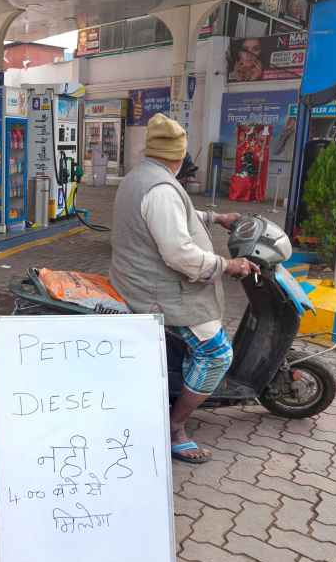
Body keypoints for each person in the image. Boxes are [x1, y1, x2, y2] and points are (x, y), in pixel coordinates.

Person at [110, 113, 259, 464]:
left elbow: (177, 212)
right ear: (179, 158)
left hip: (134, 278)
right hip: (156, 292)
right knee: (217, 354)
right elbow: (179, 253)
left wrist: (214, 218)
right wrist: (227, 265)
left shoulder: (141, 176)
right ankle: (175, 427)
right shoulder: (161, 188)